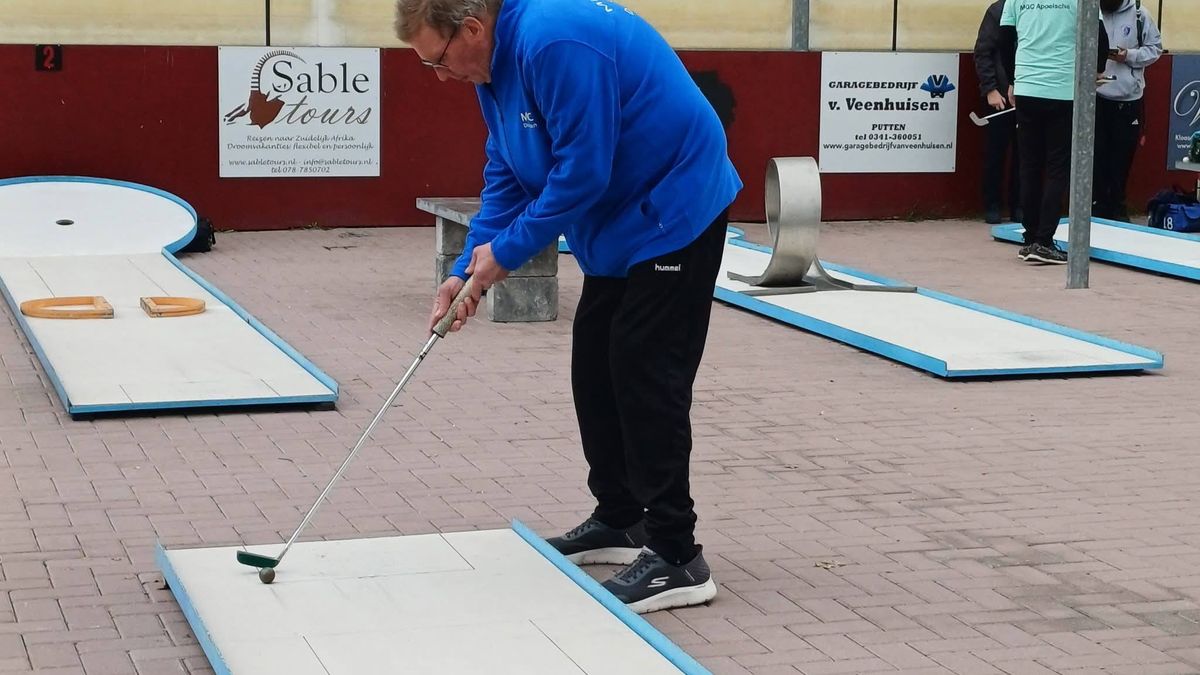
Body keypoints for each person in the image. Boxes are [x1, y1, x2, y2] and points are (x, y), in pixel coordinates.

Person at [394, 0, 742, 614]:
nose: (440, 77)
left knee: (643, 368)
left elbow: (583, 171)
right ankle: (621, 517)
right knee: (594, 363)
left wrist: (506, 255)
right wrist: (465, 271)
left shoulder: (554, 38)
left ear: (471, 29)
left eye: (437, 61)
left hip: (676, 203)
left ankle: (677, 556)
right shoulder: (492, 71)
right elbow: (507, 172)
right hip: (618, 222)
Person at [1000, 0, 1109, 265]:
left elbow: (1004, 40)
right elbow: (1100, 40)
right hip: (1062, 90)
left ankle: (1029, 237)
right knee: (1057, 167)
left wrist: (1014, 80)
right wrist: (1096, 70)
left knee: (1029, 166)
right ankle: (1044, 241)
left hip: (1027, 88)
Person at [1093, 0, 1162, 221]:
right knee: (1097, 156)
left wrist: (1129, 56)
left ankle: (1117, 207)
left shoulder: (1140, 15)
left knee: (1121, 157)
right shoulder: (1091, 12)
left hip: (1128, 99)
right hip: (1097, 98)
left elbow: (1155, 49)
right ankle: (1097, 207)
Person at [974, 0, 1020, 225]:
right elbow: (983, 52)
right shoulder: (998, 11)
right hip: (999, 97)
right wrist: (990, 88)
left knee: (1026, 155)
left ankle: (1019, 205)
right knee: (996, 153)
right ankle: (992, 204)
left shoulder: (1039, 11)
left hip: (1029, 93)